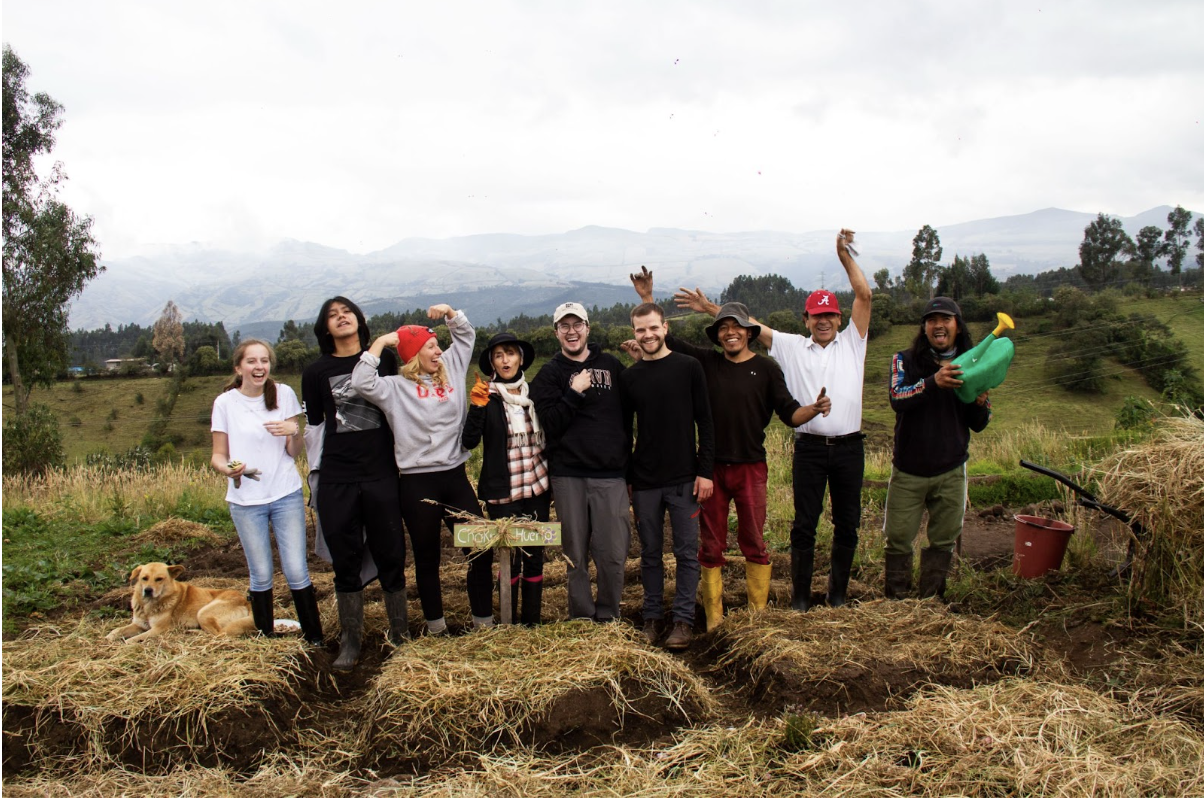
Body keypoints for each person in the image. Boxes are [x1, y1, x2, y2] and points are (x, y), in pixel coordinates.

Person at [630, 270, 829, 631]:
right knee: (711, 544)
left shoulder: (767, 369)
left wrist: (812, 410)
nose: (730, 333)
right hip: (711, 470)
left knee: (753, 538)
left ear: (749, 332)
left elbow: (790, 412)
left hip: (751, 468)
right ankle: (713, 620)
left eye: (736, 327)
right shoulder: (706, 363)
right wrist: (648, 300)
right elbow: (660, 337)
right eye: (723, 328)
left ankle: (757, 617)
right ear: (718, 335)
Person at [729, 231, 872, 611]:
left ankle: (838, 596)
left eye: (829, 315)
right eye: (816, 315)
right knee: (804, 525)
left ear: (839, 318)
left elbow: (865, 296)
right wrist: (710, 307)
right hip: (808, 449)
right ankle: (800, 599)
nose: (823, 321)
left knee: (847, 523)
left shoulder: (855, 342)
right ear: (805, 319)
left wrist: (844, 258)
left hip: (849, 448)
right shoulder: (791, 345)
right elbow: (746, 325)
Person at [351, 304, 485, 635]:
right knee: (427, 559)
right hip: (416, 483)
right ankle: (437, 629)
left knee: (479, 547)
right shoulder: (394, 388)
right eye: (430, 346)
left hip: (454, 477)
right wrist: (382, 342)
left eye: (437, 345)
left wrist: (452, 313)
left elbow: (466, 336)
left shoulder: (452, 366)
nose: (439, 350)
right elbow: (360, 381)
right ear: (413, 354)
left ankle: (483, 623)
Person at [302, 296, 408, 671]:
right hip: (337, 477)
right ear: (325, 328)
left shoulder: (385, 361)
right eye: (332, 315)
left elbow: (397, 407)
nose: (341, 317)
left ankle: (400, 634)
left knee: (391, 553)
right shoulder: (315, 372)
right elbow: (316, 428)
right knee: (344, 559)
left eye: (346, 312)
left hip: (381, 473)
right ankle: (351, 641)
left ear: (359, 321)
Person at [210, 339, 322, 645]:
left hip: (284, 493)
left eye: (264, 361)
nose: (259, 367)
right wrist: (228, 469)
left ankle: (315, 640)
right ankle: (264, 639)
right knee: (260, 573)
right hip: (246, 500)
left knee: (297, 569)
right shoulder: (225, 404)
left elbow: (294, 451)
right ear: (238, 368)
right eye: (252, 362)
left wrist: (295, 431)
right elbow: (217, 455)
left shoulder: (283, 394)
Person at [619, 302, 714, 650]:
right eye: (640, 330)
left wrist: (705, 472)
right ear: (634, 333)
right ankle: (652, 618)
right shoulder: (629, 378)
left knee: (688, 553)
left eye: (653, 328)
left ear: (665, 327)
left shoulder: (689, 368)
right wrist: (628, 477)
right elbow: (623, 430)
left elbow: (705, 421)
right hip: (644, 482)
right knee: (650, 553)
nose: (647, 335)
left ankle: (684, 621)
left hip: (685, 479)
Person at [884, 296, 992, 599]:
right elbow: (897, 398)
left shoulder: (973, 364)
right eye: (931, 320)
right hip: (908, 470)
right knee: (898, 538)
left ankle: (931, 601)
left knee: (943, 540)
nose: (938, 325)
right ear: (924, 328)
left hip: (951, 469)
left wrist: (980, 404)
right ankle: (896, 603)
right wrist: (933, 382)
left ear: (958, 326)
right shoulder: (904, 359)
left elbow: (980, 422)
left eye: (945, 319)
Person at [529, 302, 630, 623]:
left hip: (610, 475)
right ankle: (583, 617)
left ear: (588, 327)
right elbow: (549, 423)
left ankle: (609, 615)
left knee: (612, 554)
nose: (571, 332)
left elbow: (631, 414)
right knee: (575, 555)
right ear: (556, 332)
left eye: (577, 325)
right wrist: (572, 393)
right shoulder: (549, 374)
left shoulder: (612, 366)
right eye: (564, 326)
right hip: (569, 476)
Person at [461, 332, 551, 626]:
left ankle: (532, 623)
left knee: (534, 556)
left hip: (536, 486)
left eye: (510, 353)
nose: (505, 360)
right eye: (498, 356)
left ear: (520, 358)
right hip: (503, 492)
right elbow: (469, 442)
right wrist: (475, 407)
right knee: (508, 559)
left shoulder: (534, 394)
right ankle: (508, 623)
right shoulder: (487, 398)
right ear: (492, 363)